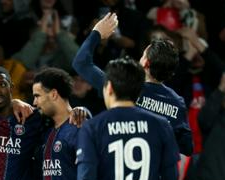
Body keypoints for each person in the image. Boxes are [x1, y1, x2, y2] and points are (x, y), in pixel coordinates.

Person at [72, 12, 193, 157]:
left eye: (143, 55)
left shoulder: (124, 86)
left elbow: (81, 63)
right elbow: (187, 148)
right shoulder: (177, 103)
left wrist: (97, 32)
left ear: (145, 63)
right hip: (154, 169)